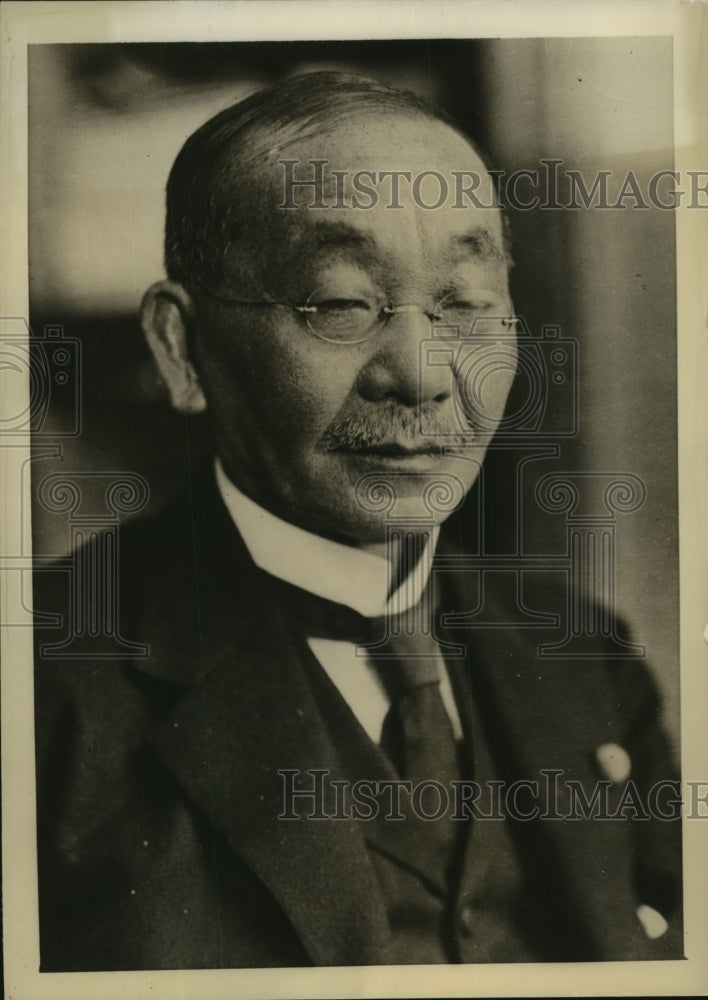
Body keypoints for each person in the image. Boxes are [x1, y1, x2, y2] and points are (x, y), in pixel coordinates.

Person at [33, 71, 682, 970]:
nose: (419, 373)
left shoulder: (589, 661)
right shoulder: (37, 695)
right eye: (340, 304)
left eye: (463, 304)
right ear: (181, 349)